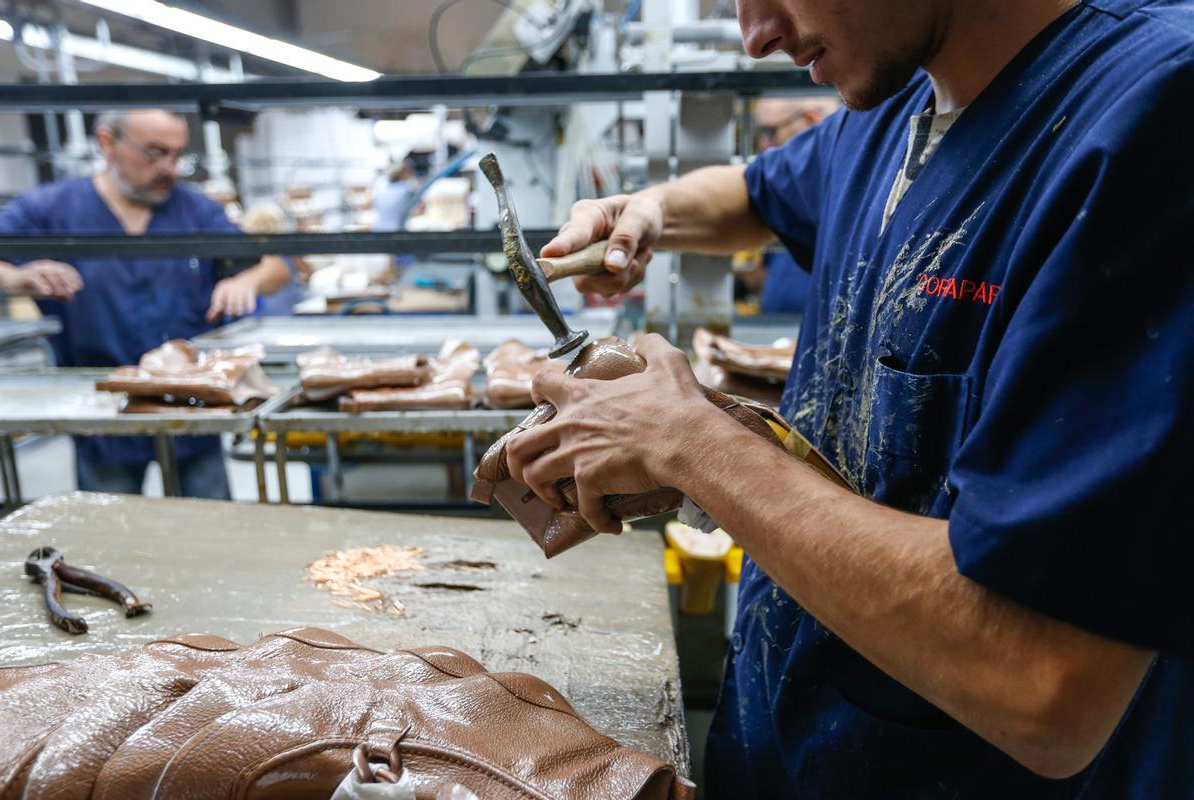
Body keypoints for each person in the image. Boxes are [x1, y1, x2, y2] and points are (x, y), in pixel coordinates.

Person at [506, 0, 1193, 797]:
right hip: (790, 745)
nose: (755, 35)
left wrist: (690, 443)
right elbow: (752, 196)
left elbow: (1043, 683)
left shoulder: (1152, 117)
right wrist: (649, 211)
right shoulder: (900, 94)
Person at [0, 109, 289, 499]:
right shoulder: (51, 209)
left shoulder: (195, 211)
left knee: (207, 530)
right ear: (107, 144)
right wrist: (12, 278)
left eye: (176, 154)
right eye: (154, 153)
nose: (169, 167)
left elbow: (276, 265)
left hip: (191, 407)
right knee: (112, 533)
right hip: (103, 411)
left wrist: (245, 279)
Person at [743, 97, 839, 314]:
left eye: (770, 131)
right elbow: (761, 278)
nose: (763, 145)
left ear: (811, 120)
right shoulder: (789, 193)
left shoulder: (840, 189)